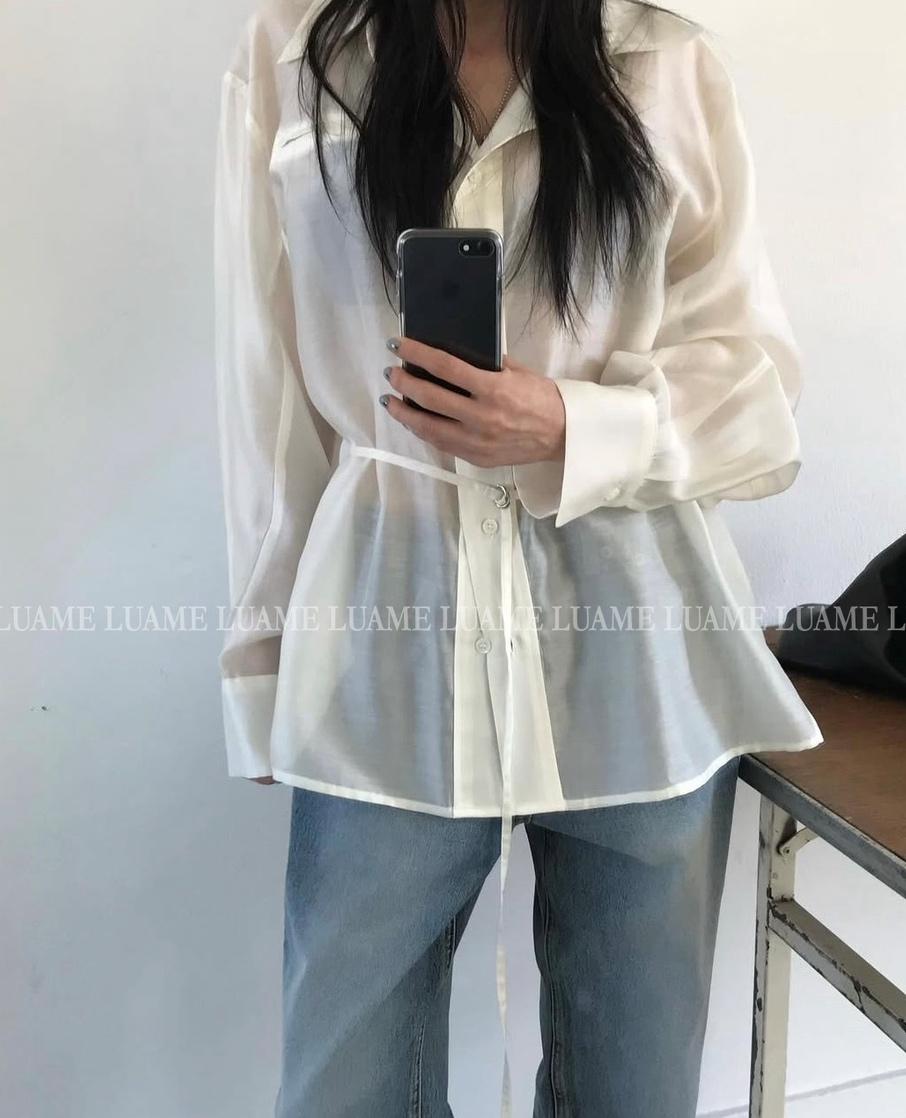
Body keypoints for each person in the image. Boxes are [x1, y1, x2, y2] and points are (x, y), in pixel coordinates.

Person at [212, 0, 824, 1114]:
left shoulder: (666, 61)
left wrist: (573, 425)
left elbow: (755, 379)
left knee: (634, 1077)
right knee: (343, 1079)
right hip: (385, 634)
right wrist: (262, 659)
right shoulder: (297, 51)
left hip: (639, 642)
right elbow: (267, 386)